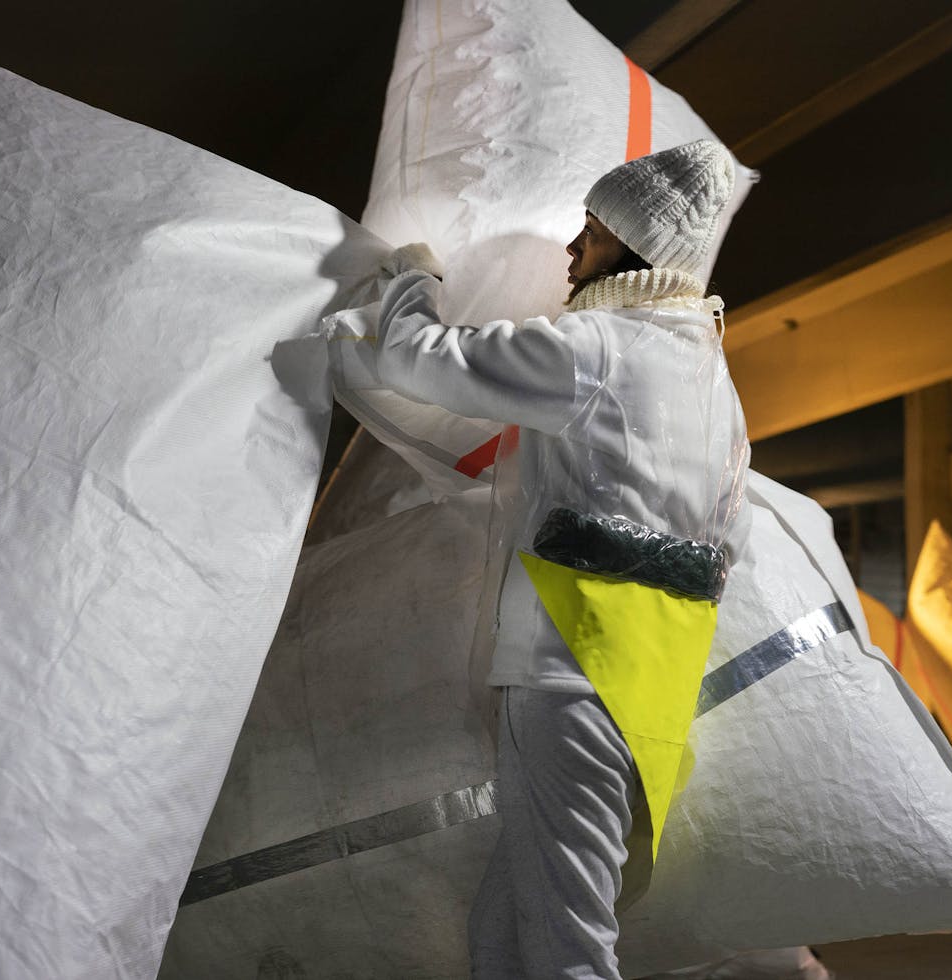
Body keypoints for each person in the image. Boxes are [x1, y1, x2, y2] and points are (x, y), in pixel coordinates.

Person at [370, 139, 751, 979]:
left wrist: (411, 278)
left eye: (593, 231)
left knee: (569, 949)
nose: (572, 251)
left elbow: (413, 359)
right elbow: (731, 540)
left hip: (567, 674)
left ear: (637, 249)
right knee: (507, 935)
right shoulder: (716, 386)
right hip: (648, 690)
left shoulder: (597, 349)